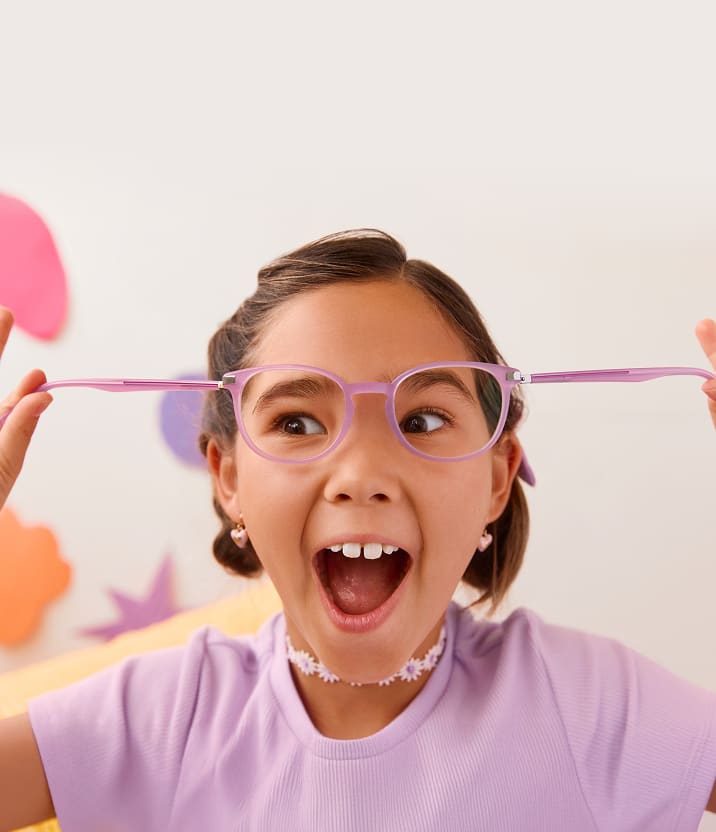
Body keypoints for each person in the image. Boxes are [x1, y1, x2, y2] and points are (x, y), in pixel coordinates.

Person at [0, 229, 715, 831]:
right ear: (229, 479)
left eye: (424, 420)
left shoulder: (586, 705)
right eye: (297, 422)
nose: (362, 473)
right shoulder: (161, 721)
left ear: (499, 477)